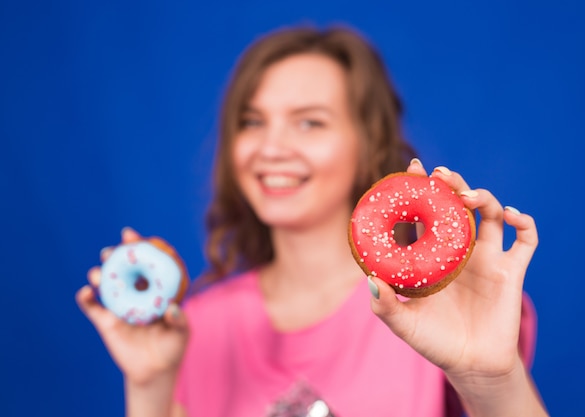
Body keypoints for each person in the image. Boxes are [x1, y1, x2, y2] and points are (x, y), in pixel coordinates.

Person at [76, 25, 548, 417]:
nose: (272, 148)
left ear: (367, 142)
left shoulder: (445, 310)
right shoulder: (194, 328)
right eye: (252, 121)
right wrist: (151, 389)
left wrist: (492, 378)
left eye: (310, 122)